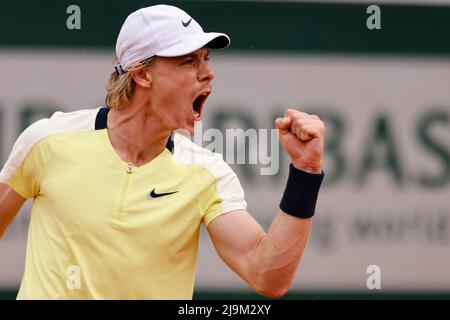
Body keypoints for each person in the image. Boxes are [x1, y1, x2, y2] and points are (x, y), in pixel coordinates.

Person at [0, 4, 325, 299]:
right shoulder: (47, 141)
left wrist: (305, 173)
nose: (208, 72)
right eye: (188, 61)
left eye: (205, 59)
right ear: (142, 74)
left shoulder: (207, 173)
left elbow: (267, 276)